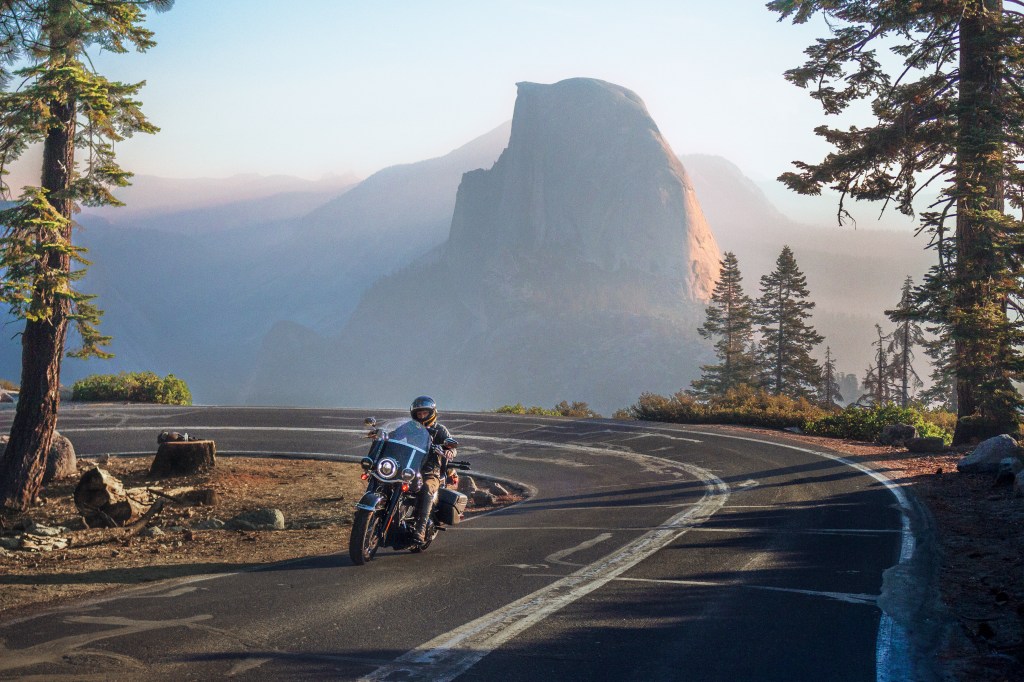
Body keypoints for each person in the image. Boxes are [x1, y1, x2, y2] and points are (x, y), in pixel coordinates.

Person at [409, 395, 456, 545]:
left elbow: (452, 447)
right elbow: (394, 437)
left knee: (427, 487)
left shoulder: (440, 429)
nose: (422, 416)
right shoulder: (410, 427)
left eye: (424, 413)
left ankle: (421, 529)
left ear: (431, 413)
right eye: (419, 414)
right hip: (410, 468)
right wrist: (382, 437)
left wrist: (449, 451)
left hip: (431, 471)